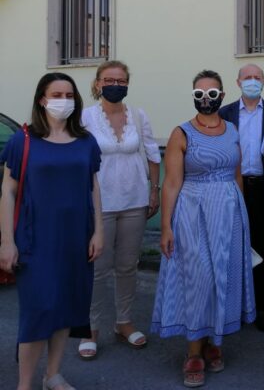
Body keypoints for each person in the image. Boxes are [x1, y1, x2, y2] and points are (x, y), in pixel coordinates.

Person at [151, 70, 256, 389]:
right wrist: (165, 226)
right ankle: (194, 350)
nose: (205, 99)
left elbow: (237, 176)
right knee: (199, 277)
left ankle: (215, 341)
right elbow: (170, 184)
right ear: (193, 96)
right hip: (192, 211)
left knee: (223, 275)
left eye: (212, 93)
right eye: (199, 94)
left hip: (229, 210)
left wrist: (241, 214)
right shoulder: (180, 133)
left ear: (222, 96)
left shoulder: (233, 129)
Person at [0, 72, 104, 390]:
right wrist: (7, 240)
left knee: (66, 306)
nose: (63, 101)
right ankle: (25, 384)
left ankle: (53, 374)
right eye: (56, 94)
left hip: (76, 237)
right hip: (35, 238)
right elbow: (8, 191)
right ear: (42, 99)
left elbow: (93, 187)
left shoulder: (86, 141)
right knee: (39, 310)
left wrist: (99, 230)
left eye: (69, 95)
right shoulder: (25, 138)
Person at [78, 61, 162, 360]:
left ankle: (124, 322)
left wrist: (154, 189)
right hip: (97, 205)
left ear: (128, 83)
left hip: (134, 201)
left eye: (121, 79)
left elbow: (152, 153)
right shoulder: (84, 117)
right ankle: (90, 328)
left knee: (127, 266)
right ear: (98, 83)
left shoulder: (138, 116)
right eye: (109, 79)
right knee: (98, 270)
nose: (116, 84)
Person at [219, 63, 264, 332]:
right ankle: (232, 306)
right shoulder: (224, 113)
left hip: (262, 190)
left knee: (260, 251)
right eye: (246, 78)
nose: (251, 81)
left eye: (256, 77)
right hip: (231, 189)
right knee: (230, 249)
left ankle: (260, 308)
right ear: (237, 83)